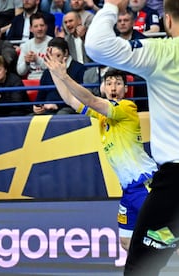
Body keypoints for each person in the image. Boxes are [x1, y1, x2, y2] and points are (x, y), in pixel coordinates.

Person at [84, 0, 179, 274]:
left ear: (168, 22)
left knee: (140, 268)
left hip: (173, 183)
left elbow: (97, 45)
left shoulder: (163, 52)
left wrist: (113, 5)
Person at [44, 51, 158, 252]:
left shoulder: (126, 108)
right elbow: (71, 99)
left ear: (125, 89)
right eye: (109, 83)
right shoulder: (101, 115)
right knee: (126, 242)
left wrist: (65, 76)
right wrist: (55, 71)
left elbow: (92, 101)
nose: (113, 87)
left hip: (145, 184)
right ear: (103, 88)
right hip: (128, 190)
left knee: (167, 236)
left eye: (118, 83)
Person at [33, 37, 85, 115]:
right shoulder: (47, 72)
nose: (54, 60)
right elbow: (41, 95)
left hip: (69, 108)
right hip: (47, 108)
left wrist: (57, 105)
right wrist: (37, 106)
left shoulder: (79, 69)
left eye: (58, 55)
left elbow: (80, 97)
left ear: (66, 53)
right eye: (51, 56)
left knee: (62, 114)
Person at [16, 12, 53, 80]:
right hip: (31, 80)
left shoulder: (53, 43)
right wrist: (26, 62)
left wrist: (37, 59)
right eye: (36, 26)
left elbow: (54, 68)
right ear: (30, 29)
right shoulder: (26, 45)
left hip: (49, 79)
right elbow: (20, 72)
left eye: (42, 25)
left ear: (46, 27)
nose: (39, 29)